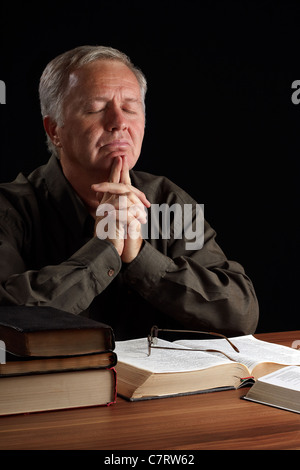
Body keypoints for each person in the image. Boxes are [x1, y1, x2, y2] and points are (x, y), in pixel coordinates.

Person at [0, 45, 259, 340]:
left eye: (130, 108)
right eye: (96, 108)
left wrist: (139, 257)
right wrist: (105, 249)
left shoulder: (166, 201)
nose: (118, 123)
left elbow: (240, 312)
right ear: (54, 130)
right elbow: (8, 318)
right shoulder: (10, 210)